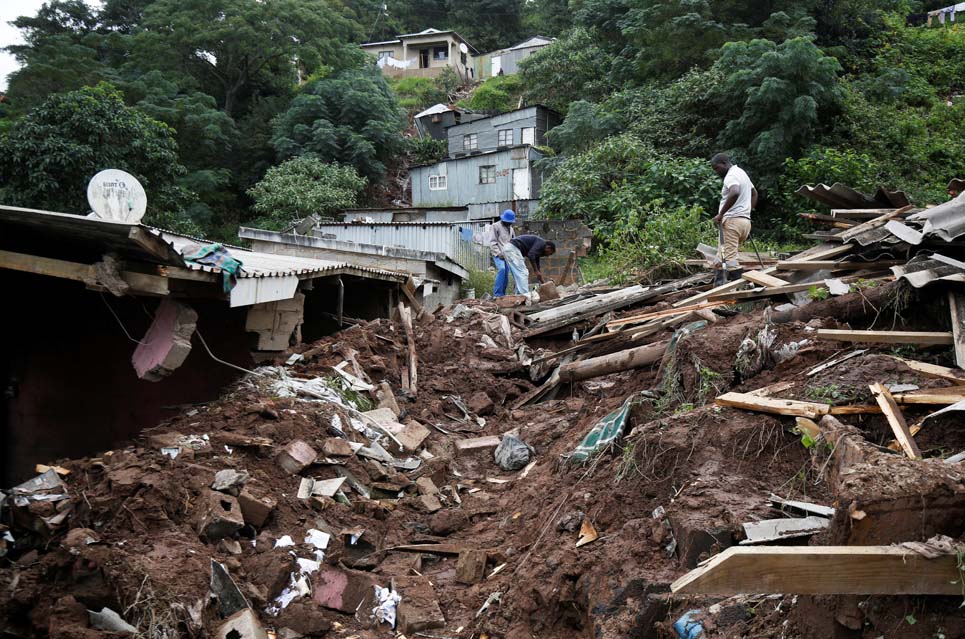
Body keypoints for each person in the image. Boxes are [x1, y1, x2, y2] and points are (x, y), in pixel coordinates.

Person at [710, 153, 758, 284]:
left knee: (730, 261)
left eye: (717, 168)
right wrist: (747, 211)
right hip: (744, 222)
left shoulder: (731, 175)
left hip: (732, 222)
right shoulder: (742, 173)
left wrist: (721, 214)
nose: (716, 172)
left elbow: (735, 192)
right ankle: (719, 288)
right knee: (721, 258)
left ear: (724, 163)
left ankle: (739, 291)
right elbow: (754, 193)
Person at [488, 210, 516, 297]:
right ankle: (497, 294)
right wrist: (498, 253)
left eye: (510, 222)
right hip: (498, 254)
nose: (509, 224)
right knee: (502, 269)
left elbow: (514, 241)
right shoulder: (495, 226)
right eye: (507, 222)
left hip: (507, 255)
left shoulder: (511, 229)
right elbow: (492, 242)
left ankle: (502, 295)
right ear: (503, 219)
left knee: (507, 273)